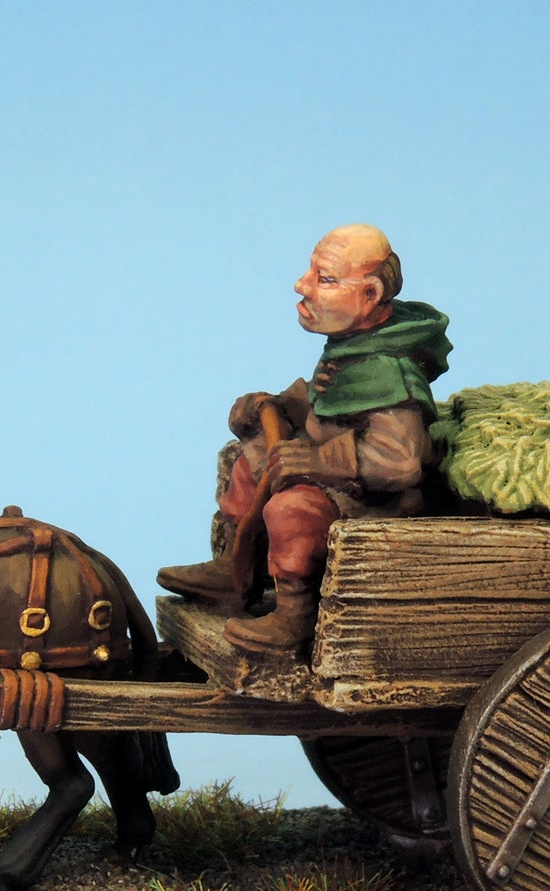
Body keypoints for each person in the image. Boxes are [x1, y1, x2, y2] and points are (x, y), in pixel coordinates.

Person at [157, 224, 451, 654]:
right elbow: (326, 401)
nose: (302, 285)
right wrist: (273, 406)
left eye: (325, 278)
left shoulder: (390, 373)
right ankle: (235, 565)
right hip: (339, 477)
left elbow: (399, 460)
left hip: (372, 500)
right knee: (251, 460)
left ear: (369, 294)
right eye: (311, 272)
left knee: (292, 509)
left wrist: (319, 461)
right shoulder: (354, 343)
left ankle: (294, 612)